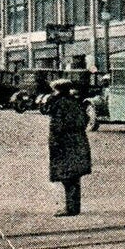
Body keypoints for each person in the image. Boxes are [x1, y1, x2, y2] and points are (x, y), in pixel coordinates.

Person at [47, 79, 92, 217]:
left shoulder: (59, 104)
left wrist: (55, 142)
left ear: (58, 90)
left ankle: (70, 208)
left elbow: (57, 126)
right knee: (74, 176)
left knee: (67, 176)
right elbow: (85, 119)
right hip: (79, 142)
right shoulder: (76, 102)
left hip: (64, 144)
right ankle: (74, 207)